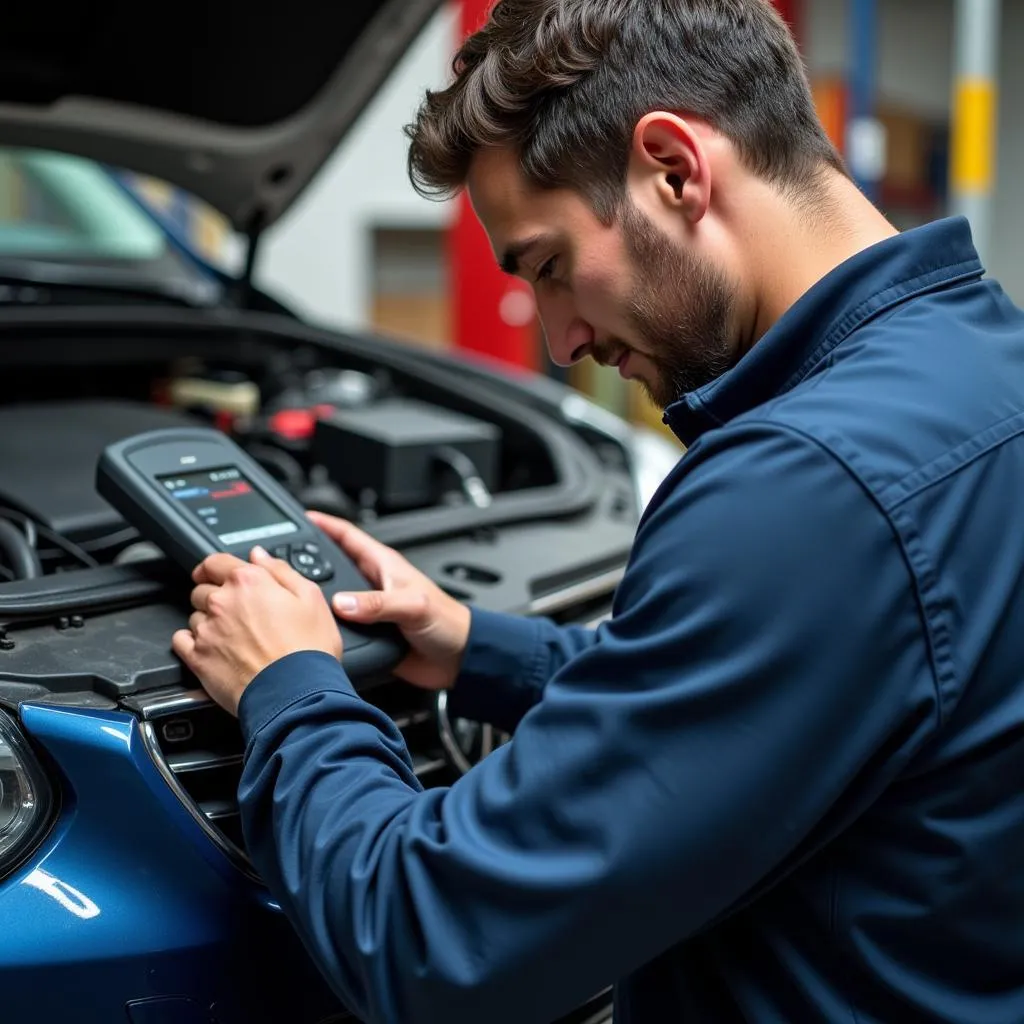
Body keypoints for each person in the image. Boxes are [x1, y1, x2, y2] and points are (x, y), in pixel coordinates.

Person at [171, 0, 1024, 1021]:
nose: (560, 336)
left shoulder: (801, 489)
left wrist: (291, 688)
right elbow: (795, 699)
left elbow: (429, 940)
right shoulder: (984, 364)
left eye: (546, 266)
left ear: (673, 168)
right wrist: (475, 647)